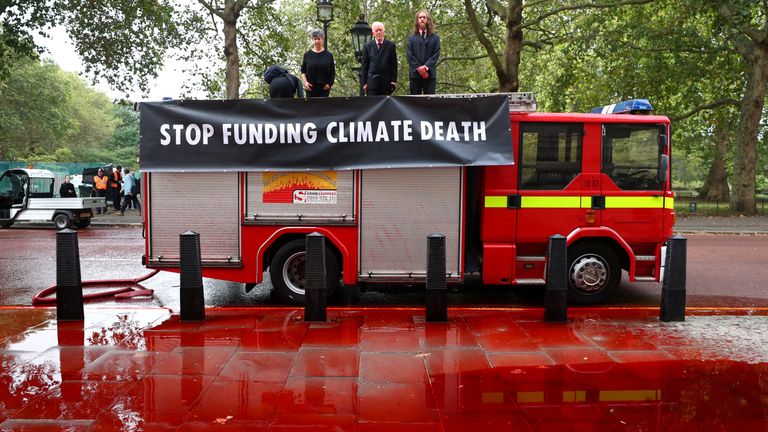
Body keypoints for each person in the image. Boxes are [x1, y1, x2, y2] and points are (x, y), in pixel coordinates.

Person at [406, 10, 441, 95]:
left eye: (424, 17)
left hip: (430, 75)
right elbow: (409, 55)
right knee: (414, 103)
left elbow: (436, 55)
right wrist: (420, 69)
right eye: (420, 17)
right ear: (417, 20)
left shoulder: (435, 38)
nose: (422, 19)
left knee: (430, 104)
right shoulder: (411, 38)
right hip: (415, 76)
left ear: (428, 20)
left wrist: (425, 68)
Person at [360, 21, 398, 96]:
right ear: (373, 33)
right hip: (372, 84)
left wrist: (393, 81)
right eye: (376, 30)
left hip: (386, 84)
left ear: (383, 31)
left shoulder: (391, 46)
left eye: (380, 30)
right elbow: (364, 66)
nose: (379, 32)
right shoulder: (367, 46)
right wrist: (364, 83)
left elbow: (394, 65)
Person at [301, 29, 336, 97]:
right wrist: (305, 83)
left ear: (322, 40)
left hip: (324, 89)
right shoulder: (307, 55)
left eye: (319, 39)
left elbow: (333, 72)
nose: (317, 41)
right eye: (315, 39)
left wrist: (329, 84)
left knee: (323, 107)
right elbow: (303, 71)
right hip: (310, 89)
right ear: (312, 40)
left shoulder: (329, 55)